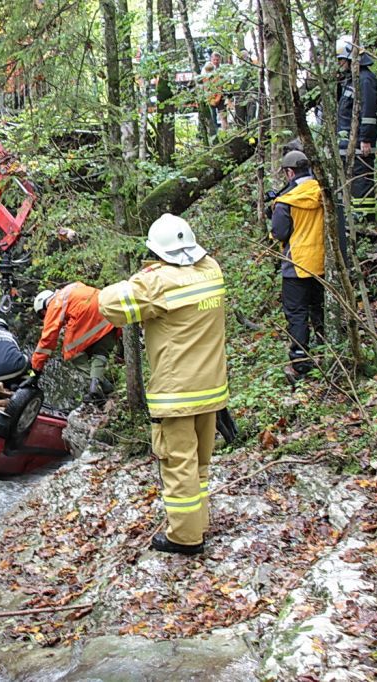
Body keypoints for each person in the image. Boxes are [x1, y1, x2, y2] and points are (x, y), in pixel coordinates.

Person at [98, 214, 228, 555]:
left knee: (178, 465)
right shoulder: (212, 270)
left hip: (177, 394)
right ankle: (198, 523)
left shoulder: (158, 284)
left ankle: (185, 538)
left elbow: (108, 305)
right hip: (211, 389)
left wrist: (144, 274)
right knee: (199, 465)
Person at [270, 150, 325, 384]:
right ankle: (327, 351)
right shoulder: (324, 193)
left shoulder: (286, 202)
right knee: (319, 308)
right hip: (322, 263)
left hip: (296, 265)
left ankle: (300, 363)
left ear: (290, 173)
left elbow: (279, 233)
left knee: (297, 313)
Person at [31, 283, 117, 404]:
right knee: (100, 351)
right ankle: (104, 386)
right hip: (108, 309)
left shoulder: (55, 303)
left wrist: (35, 370)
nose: (44, 317)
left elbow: (47, 340)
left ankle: (95, 390)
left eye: (42, 314)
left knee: (71, 351)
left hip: (87, 314)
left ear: (44, 306)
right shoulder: (72, 288)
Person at [335, 34, 377, 221]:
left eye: (341, 59)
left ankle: (365, 220)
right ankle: (351, 220)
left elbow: (368, 112)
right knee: (350, 183)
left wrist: (366, 139)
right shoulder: (350, 81)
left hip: (361, 144)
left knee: (361, 182)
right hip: (347, 144)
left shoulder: (365, 80)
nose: (339, 64)